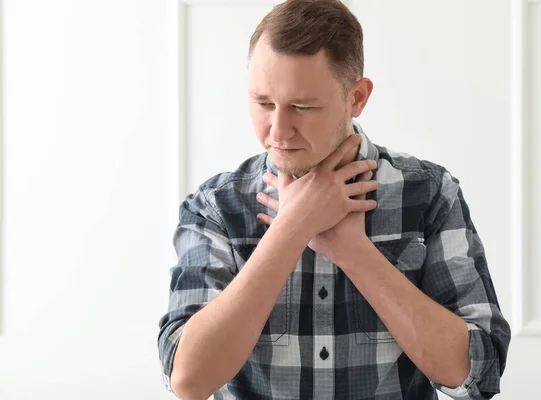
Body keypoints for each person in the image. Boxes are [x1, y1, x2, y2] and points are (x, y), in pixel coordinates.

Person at [157, 0, 511, 399]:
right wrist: (293, 227)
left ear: (357, 97)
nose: (278, 130)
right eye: (263, 103)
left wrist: (353, 251)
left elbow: (478, 374)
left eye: (302, 107)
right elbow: (188, 380)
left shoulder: (430, 193)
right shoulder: (215, 206)